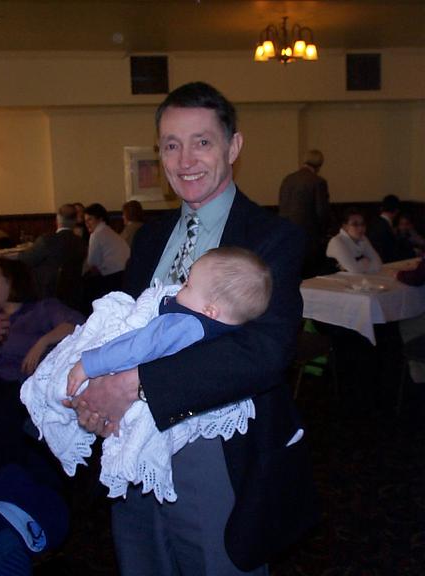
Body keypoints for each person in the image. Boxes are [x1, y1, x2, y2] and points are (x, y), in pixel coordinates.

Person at [67, 82, 319, 575]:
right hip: (131, 446)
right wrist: (96, 396)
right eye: (171, 145)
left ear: (233, 146)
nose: (185, 160)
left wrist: (134, 384)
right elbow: (126, 326)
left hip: (215, 452)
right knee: (141, 561)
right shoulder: (149, 237)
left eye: (202, 142)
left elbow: (265, 352)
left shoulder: (272, 236)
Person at [22, 247, 272, 503]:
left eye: (187, 285)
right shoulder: (220, 328)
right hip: (159, 395)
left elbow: (135, 347)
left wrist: (89, 363)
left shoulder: (182, 324)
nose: (180, 288)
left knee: (63, 378)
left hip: (141, 385)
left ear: (209, 310)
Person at [0, 258, 84, 473]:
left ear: (12, 283)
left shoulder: (41, 310)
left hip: (19, 386)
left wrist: (43, 341)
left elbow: (77, 323)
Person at [18, 203, 87, 304]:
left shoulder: (46, 240)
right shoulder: (81, 243)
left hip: (46, 293)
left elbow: (25, 260)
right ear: (75, 221)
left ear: (57, 219)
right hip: (73, 294)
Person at [278, 149, 330, 277]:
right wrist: (325, 233)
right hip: (309, 237)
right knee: (310, 276)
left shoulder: (288, 179)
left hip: (286, 235)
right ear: (319, 164)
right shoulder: (318, 182)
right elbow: (322, 212)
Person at [82, 202, 130, 312]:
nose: (87, 224)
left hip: (112, 279)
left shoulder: (97, 234)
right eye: (85, 221)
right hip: (124, 275)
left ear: (100, 219)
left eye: (90, 219)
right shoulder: (109, 231)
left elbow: (92, 262)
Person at [326, 207, 382, 273]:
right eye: (355, 224)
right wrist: (365, 261)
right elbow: (355, 270)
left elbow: (378, 265)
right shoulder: (337, 241)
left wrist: (359, 264)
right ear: (345, 226)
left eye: (363, 224)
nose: (360, 228)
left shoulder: (363, 238)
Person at [368, 194, 415, 263]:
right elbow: (391, 252)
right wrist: (413, 252)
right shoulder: (385, 227)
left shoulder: (375, 222)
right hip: (384, 261)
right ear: (396, 210)